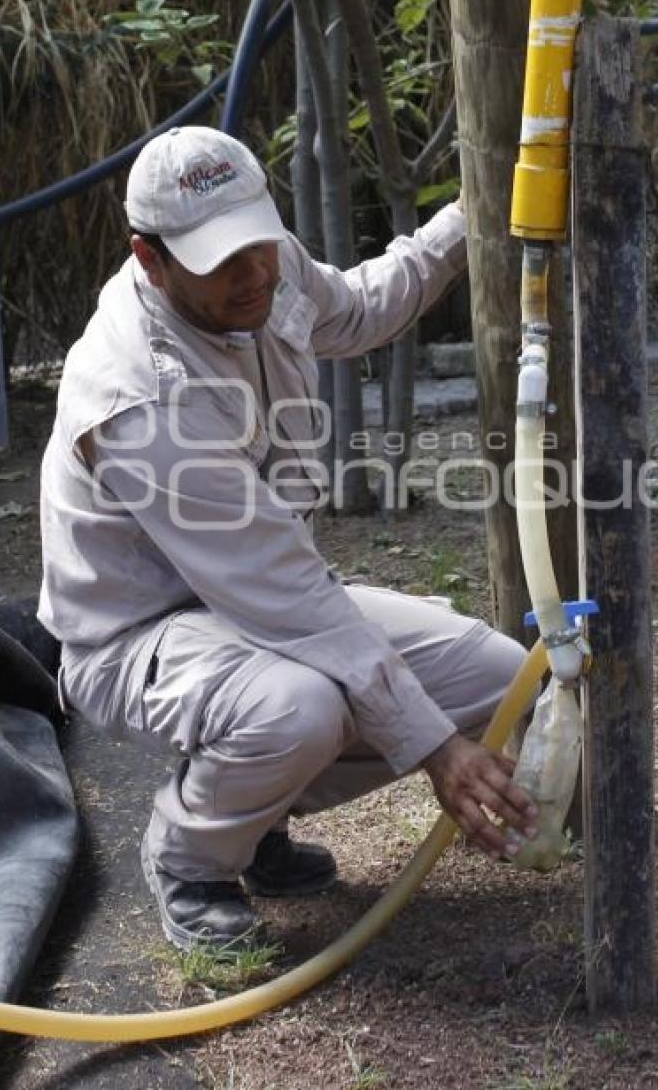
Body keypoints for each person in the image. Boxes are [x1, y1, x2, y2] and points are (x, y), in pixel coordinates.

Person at [38, 125, 537, 950]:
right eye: (222, 261)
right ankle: (192, 858)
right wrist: (437, 753)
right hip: (138, 635)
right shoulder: (139, 397)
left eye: (259, 244)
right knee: (300, 706)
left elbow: (362, 305)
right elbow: (289, 592)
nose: (255, 273)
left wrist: (470, 216)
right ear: (149, 258)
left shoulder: (262, 263)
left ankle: (254, 811)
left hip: (257, 604)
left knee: (494, 675)